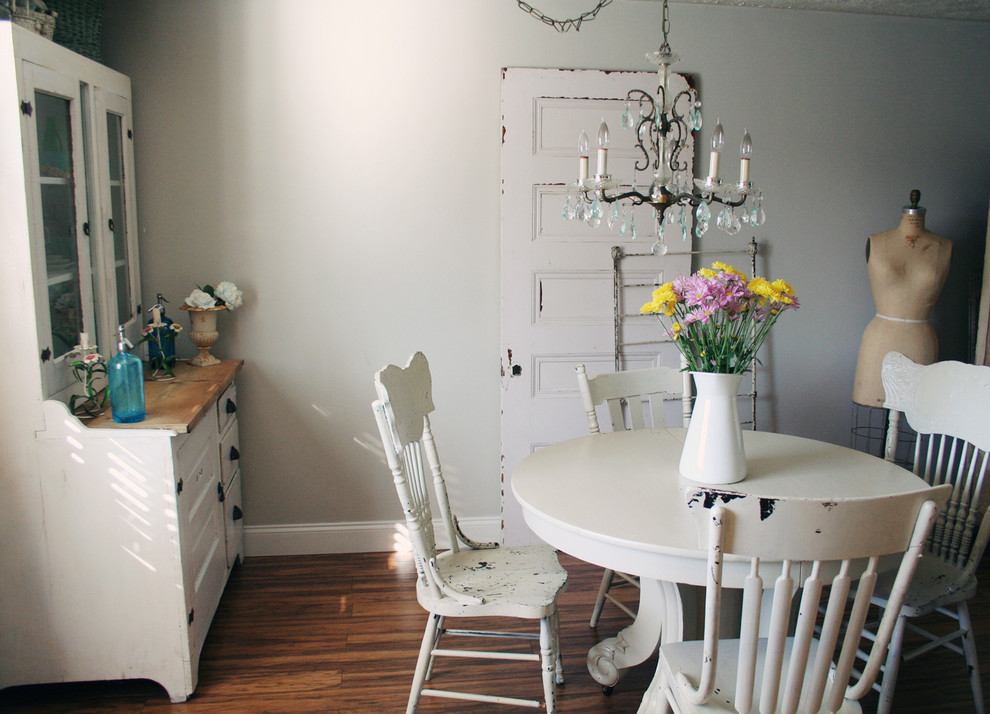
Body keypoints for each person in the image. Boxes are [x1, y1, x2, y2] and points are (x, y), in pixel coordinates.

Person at [852, 190, 951, 407]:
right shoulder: (878, 241)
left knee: (915, 416)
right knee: (871, 427)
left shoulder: (943, 247)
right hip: (878, 341)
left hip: (920, 340)